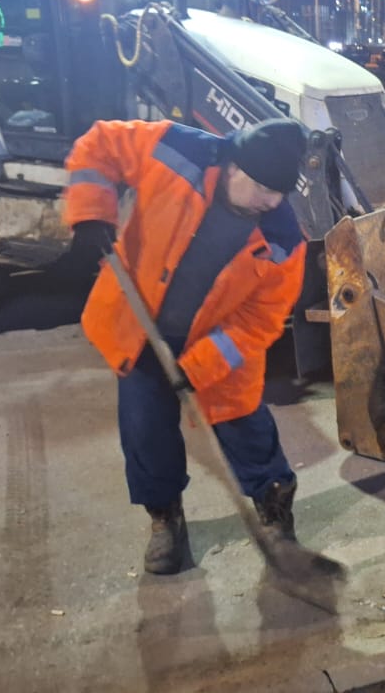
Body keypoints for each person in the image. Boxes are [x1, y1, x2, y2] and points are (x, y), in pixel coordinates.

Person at [64, 116, 309, 575]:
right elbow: (98, 144)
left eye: (279, 193)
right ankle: (165, 521)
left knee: (245, 428)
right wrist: (91, 212)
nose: (270, 201)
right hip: (140, 326)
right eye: (261, 188)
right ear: (234, 166)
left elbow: (261, 321)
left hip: (217, 343)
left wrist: (198, 367)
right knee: (145, 431)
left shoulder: (282, 240)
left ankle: (274, 507)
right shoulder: (177, 151)